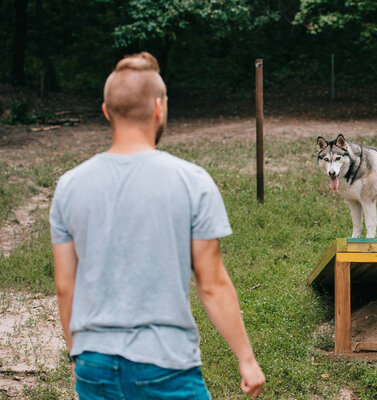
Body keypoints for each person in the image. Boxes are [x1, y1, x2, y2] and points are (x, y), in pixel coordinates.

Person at [50, 52, 265, 399]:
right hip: (165, 365)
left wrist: (78, 353)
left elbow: (65, 285)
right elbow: (211, 284)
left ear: (106, 112)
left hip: (95, 364)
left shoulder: (69, 186)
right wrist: (247, 359)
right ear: (159, 108)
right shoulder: (192, 182)